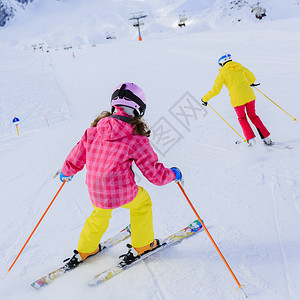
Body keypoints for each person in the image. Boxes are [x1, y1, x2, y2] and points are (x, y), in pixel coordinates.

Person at [59, 82, 182, 270]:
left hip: (96, 190)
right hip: (123, 192)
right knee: (142, 203)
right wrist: (173, 174)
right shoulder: (136, 138)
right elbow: (155, 175)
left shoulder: (92, 131)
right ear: (139, 110)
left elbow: (76, 156)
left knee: (99, 213)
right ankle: (142, 245)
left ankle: (86, 249)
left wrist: (66, 172)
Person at [201, 53, 273, 146]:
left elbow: (216, 90)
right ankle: (267, 139)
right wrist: (250, 83)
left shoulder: (222, 73)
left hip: (237, 100)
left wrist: (205, 99)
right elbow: (252, 77)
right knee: (253, 116)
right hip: (250, 96)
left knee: (242, 118)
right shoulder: (241, 67)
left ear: (222, 63)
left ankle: (251, 141)